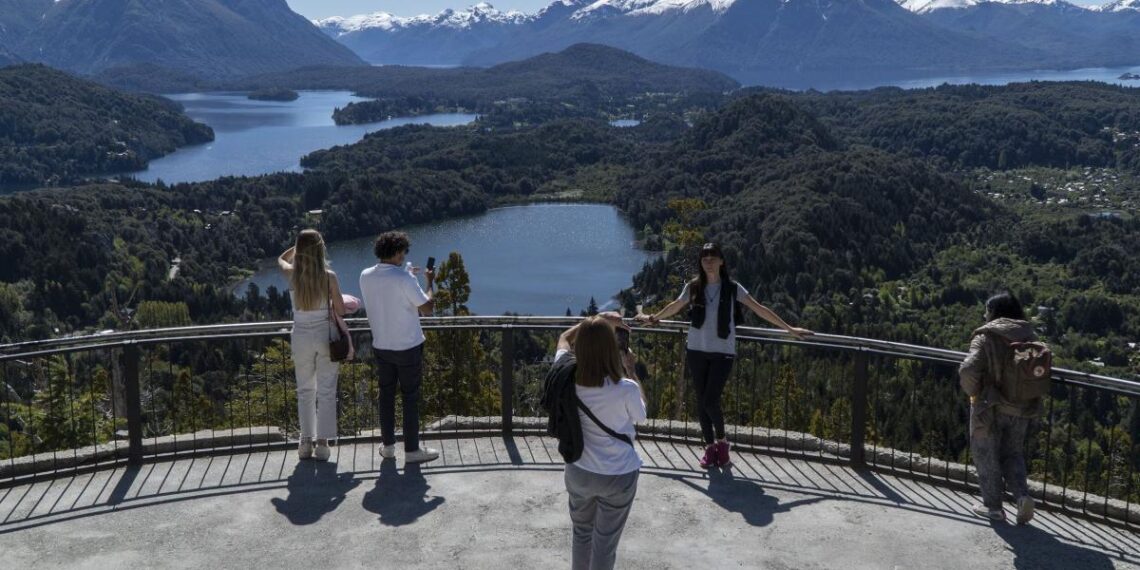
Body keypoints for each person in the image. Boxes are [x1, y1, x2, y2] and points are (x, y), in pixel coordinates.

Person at [637, 242, 812, 468]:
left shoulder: (733, 288)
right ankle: (711, 448)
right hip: (696, 350)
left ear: (721, 261)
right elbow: (676, 306)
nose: (708, 260)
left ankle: (722, 442)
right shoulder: (694, 287)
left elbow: (759, 308)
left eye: (713, 256)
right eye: (704, 257)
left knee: (710, 400)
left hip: (722, 353)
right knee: (702, 402)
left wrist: (789, 329)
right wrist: (653, 317)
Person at [555, 313, 647, 570]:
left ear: (580, 347)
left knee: (581, 535)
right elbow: (641, 415)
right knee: (604, 545)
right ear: (612, 349)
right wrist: (631, 370)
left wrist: (595, 320)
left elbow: (563, 339)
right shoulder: (626, 388)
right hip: (618, 475)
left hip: (579, 470)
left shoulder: (566, 377)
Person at [959, 291, 1041, 524]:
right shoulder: (1029, 334)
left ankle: (993, 508)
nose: (985, 315)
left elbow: (968, 371)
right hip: (1022, 408)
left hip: (989, 407)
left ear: (994, 313)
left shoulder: (986, 337)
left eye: (987, 311)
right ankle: (1022, 496)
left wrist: (973, 392)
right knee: (1012, 454)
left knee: (986, 454)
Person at [359, 231, 439, 464]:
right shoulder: (405, 279)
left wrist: (406, 276)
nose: (404, 256)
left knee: (386, 396)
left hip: (381, 346)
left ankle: (389, 447)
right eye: (403, 252)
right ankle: (412, 451)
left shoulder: (365, 276)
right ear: (396, 252)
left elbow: (388, 291)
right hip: (408, 347)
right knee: (410, 397)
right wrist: (429, 281)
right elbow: (427, 308)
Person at [278, 229, 347, 461]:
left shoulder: (292, 274)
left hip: (300, 336)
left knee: (305, 390)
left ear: (300, 251)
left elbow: (281, 259)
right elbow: (340, 310)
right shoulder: (329, 276)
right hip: (324, 333)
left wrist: (295, 248)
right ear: (320, 249)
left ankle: (305, 442)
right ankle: (323, 444)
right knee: (327, 390)